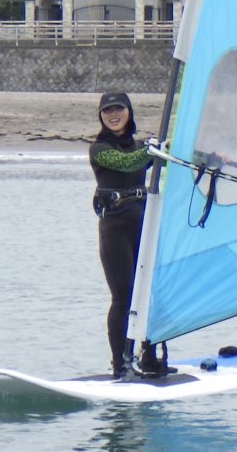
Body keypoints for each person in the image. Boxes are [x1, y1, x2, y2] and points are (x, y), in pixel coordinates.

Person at [89, 90, 170, 378]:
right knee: (123, 297)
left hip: (143, 224)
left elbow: (173, 158)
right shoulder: (99, 149)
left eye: (119, 109)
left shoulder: (141, 147)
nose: (113, 115)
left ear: (129, 112)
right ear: (101, 116)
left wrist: (206, 156)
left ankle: (149, 358)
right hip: (115, 228)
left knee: (147, 293)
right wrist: (153, 151)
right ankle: (120, 364)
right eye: (107, 110)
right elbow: (128, 163)